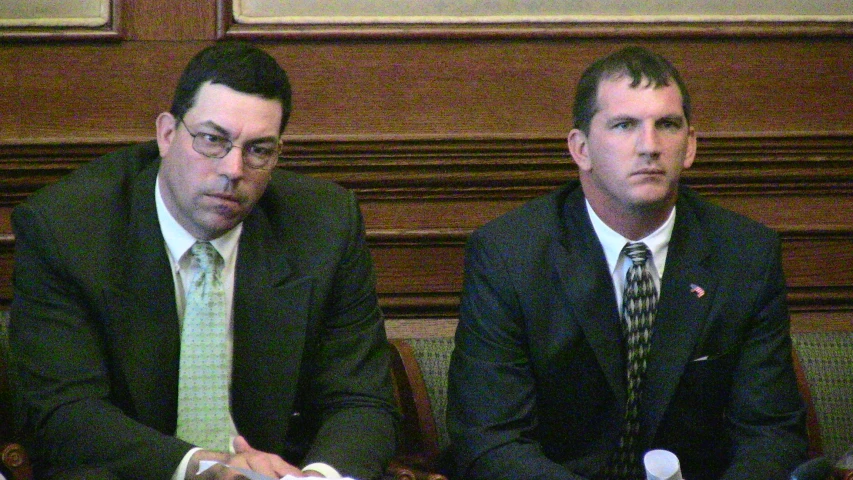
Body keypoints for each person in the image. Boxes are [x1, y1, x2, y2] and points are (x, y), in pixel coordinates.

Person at [9, 41, 398, 480]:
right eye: (213, 140)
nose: (234, 169)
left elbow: (362, 401)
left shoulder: (325, 227)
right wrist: (201, 466)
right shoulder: (68, 229)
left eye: (258, 150)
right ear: (167, 135)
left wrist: (319, 477)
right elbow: (63, 412)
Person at [446, 46, 807, 480]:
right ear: (581, 149)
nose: (649, 146)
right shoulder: (510, 254)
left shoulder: (746, 254)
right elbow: (490, 439)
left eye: (668, 125)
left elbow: (770, 434)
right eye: (624, 125)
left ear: (690, 146)